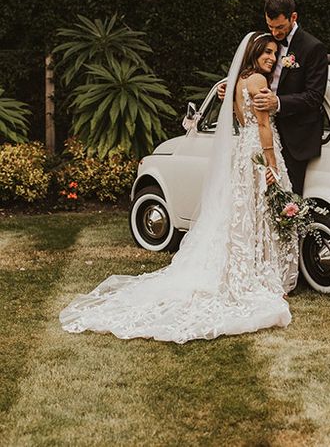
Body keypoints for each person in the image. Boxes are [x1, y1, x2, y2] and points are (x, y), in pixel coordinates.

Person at [59, 33, 297, 343]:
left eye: (275, 53)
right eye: (266, 51)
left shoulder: (237, 82)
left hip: (242, 156)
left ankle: (249, 270)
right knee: (259, 212)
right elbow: (263, 125)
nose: (271, 57)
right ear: (253, 52)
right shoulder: (258, 81)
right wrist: (271, 165)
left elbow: (240, 118)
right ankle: (261, 274)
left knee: (244, 215)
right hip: (260, 153)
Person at [218, 0, 328, 195]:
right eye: (270, 26)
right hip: (262, 135)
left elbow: (314, 97)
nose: (275, 33)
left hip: (295, 137)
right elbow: (252, 73)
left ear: (293, 17)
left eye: (280, 27)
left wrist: (276, 102)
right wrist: (232, 89)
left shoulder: (313, 48)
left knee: (288, 201)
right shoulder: (269, 44)